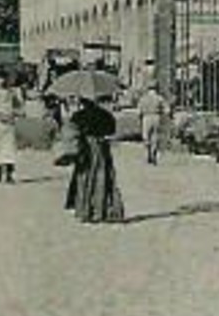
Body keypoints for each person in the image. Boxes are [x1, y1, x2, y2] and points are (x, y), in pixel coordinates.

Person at [68, 94, 123, 223]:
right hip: (101, 148)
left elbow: (71, 131)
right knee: (102, 178)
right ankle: (100, 211)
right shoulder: (105, 115)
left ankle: (84, 211)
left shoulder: (78, 116)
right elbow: (112, 130)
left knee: (84, 179)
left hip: (85, 149)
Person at [136, 83, 168, 165]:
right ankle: (154, 153)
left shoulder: (143, 98)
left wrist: (139, 119)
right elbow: (167, 110)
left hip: (146, 117)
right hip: (156, 117)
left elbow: (139, 111)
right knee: (154, 136)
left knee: (146, 137)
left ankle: (148, 154)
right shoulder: (159, 98)